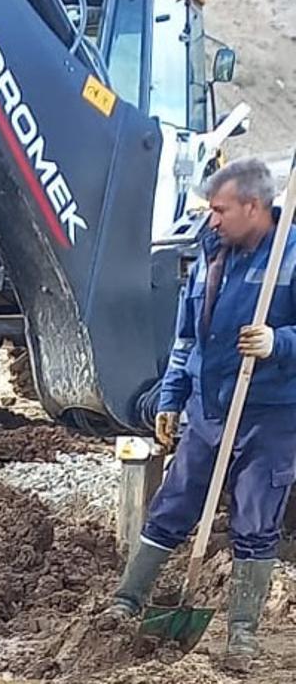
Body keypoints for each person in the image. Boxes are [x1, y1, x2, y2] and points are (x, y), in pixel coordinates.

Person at [102, 158, 296, 671]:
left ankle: (242, 635)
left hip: (271, 415)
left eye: (220, 210)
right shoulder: (212, 255)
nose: (212, 220)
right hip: (208, 410)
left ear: (253, 207)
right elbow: (187, 338)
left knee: (256, 520)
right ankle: (127, 600)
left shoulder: (290, 257)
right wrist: (171, 397)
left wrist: (280, 342)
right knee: (173, 504)